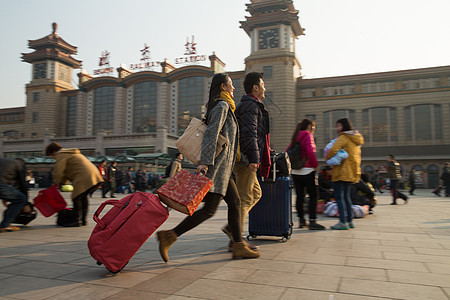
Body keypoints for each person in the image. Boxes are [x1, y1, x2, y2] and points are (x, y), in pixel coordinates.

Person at [157, 73, 259, 261]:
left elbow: (230, 144)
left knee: (234, 204)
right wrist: (205, 162)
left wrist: (246, 161)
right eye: (230, 85)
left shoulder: (226, 106)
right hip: (217, 167)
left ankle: (238, 245)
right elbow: (211, 135)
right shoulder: (222, 106)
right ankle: (170, 235)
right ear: (222, 87)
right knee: (210, 210)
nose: (234, 88)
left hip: (224, 170)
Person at [224, 72, 271, 250]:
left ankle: (232, 228)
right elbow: (249, 134)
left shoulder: (252, 105)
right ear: (255, 88)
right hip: (245, 159)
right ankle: (237, 239)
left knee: (256, 193)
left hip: (247, 156)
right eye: (263, 84)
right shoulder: (250, 106)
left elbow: (257, 135)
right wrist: (254, 157)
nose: (265, 88)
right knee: (245, 198)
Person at [45, 142, 103, 226]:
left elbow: (58, 171)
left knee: (76, 197)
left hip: (84, 177)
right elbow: (65, 173)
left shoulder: (61, 154)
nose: (53, 158)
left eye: (51, 156)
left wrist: (56, 182)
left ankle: (76, 220)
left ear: (54, 151)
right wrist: (61, 183)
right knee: (82, 197)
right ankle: (83, 220)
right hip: (94, 176)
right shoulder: (70, 153)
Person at [326, 118, 364, 230]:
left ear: (344, 126)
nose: (337, 128)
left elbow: (333, 150)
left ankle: (342, 222)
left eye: (339, 126)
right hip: (351, 172)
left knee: (339, 197)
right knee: (347, 197)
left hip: (341, 171)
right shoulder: (356, 138)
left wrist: (328, 158)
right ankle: (349, 221)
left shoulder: (343, 137)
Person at [288, 119, 325, 230]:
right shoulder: (307, 135)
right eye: (313, 127)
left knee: (300, 196)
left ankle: (301, 221)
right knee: (313, 196)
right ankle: (312, 221)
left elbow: (288, 150)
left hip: (295, 171)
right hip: (307, 170)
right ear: (309, 126)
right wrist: (315, 165)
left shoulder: (296, 135)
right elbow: (310, 152)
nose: (313, 130)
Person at [0, 158, 28, 231]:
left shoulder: (6, 162)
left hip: (2, 185)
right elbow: (23, 185)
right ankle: (5, 225)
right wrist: (26, 203)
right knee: (21, 199)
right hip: (1, 185)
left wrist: (5, 197)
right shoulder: (20, 165)